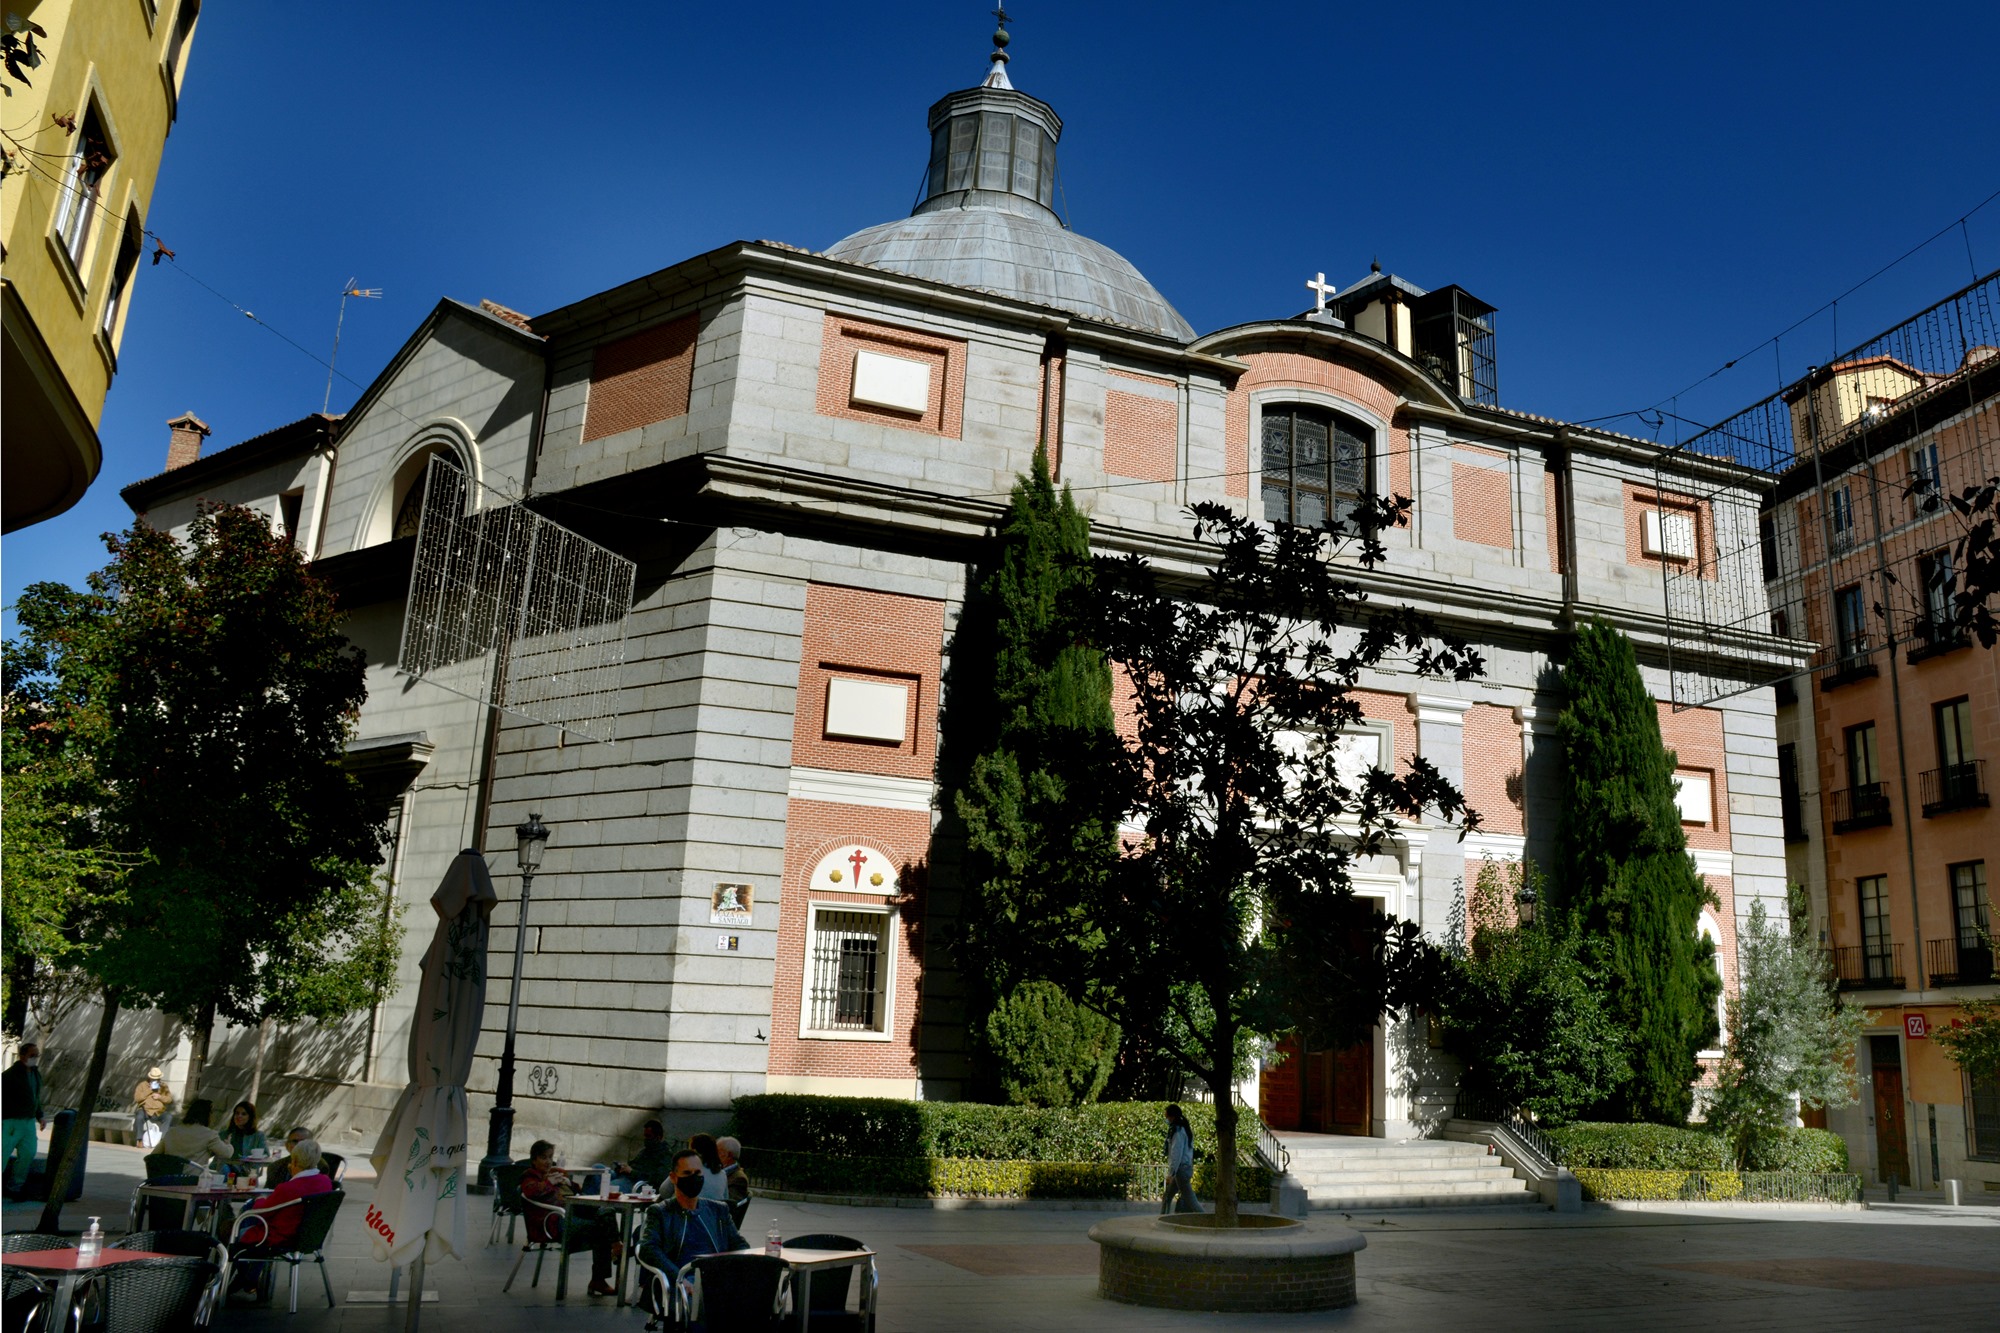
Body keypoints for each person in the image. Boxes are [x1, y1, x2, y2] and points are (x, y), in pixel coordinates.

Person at [637, 1149, 748, 1316]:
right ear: (674, 1178)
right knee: (702, 1305)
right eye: (687, 1173)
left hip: (716, 1279)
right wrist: (678, 1277)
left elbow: (739, 1244)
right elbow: (648, 1248)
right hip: (681, 1280)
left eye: (697, 1173)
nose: (694, 1178)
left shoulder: (718, 1210)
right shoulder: (661, 1212)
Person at [231, 1137, 334, 1295]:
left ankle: (244, 1276)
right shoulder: (325, 1182)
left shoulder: (288, 1188)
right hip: (310, 1236)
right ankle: (249, 1278)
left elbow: (264, 1212)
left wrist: (258, 1201)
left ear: (294, 1162)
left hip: (280, 1236)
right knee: (247, 1219)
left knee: (236, 1225)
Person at [520, 1139, 622, 1299]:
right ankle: (604, 1269)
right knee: (601, 1230)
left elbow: (576, 1191)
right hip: (555, 1222)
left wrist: (568, 1183)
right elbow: (529, 1192)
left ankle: (615, 1246)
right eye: (543, 1158)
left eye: (550, 1157)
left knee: (606, 1211)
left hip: (574, 1212)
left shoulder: (555, 1173)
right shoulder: (530, 1176)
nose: (548, 1162)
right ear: (534, 1160)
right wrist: (548, 1182)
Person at [1, 1043, 45, 1198]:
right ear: (22, 1056)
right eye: (32, 1055)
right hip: (11, 1121)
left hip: (28, 1121)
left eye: (36, 1055)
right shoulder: (9, 1076)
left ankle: (15, 1185)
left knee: (28, 1153)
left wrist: (40, 1116)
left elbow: (35, 1097)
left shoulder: (35, 1074)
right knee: (3, 1154)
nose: (34, 1058)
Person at [158, 1099, 241, 1173]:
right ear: (208, 1115)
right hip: (192, 1179)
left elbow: (154, 1154)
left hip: (168, 1177)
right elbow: (226, 1154)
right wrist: (229, 1145)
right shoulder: (210, 1135)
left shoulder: (172, 1131)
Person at [613, 1119, 673, 1192]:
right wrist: (622, 1167)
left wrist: (632, 1172)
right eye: (645, 1136)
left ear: (658, 1137)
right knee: (598, 1169)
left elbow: (657, 1179)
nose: (646, 1139)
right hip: (627, 1177)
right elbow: (634, 1164)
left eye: (649, 1136)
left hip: (639, 1184)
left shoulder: (665, 1155)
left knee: (610, 1186)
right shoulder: (645, 1151)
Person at [1161, 1103, 1200, 1215]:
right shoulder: (1184, 1129)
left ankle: (1205, 1218)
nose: (1167, 1119)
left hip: (1180, 1170)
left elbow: (1176, 1153)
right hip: (1183, 1168)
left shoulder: (1177, 1131)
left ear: (1172, 1116)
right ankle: (1163, 1217)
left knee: (1191, 1201)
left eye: (1167, 1117)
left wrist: (1171, 1173)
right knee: (1167, 1196)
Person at [222, 1101, 268, 1181]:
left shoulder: (258, 1136)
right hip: (226, 1173)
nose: (239, 1116)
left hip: (247, 1173)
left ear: (250, 1117)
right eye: (237, 1113)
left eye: (243, 1114)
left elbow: (266, 1154)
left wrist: (251, 1158)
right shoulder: (225, 1134)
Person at [133, 1066, 174, 1150]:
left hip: (158, 1111)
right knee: (139, 1117)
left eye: (157, 1079)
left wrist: (160, 1097)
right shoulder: (142, 1085)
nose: (155, 1080)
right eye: (153, 1079)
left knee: (168, 1117)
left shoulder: (163, 1086)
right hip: (145, 1110)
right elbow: (137, 1098)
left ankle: (161, 1140)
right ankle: (139, 1139)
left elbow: (169, 1099)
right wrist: (149, 1090)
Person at [715, 1135, 751, 1227]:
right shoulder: (726, 1173)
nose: (714, 1156)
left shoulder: (738, 1178)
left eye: (717, 1152)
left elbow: (729, 1205)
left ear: (728, 1155)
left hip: (720, 1224)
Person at [687, 1132, 728, 1202]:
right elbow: (725, 1198)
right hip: (715, 1211)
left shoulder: (687, 1170)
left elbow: (664, 1191)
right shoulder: (722, 1174)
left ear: (695, 1151)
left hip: (693, 1211)